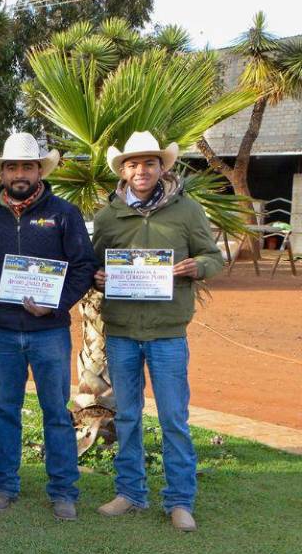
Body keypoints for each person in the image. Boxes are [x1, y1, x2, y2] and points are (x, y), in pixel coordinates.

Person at [92, 131, 223, 532]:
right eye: (132, 164)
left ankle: (179, 500)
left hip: (167, 332)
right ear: (123, 169)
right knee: (128, 416)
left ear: (161, 167)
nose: (140, 170)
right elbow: (95, 265)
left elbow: (214, 256)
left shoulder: (187, 211)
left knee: (173, 418)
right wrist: (97, 278)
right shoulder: (108, 216)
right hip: (121, 331)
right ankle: (130, 492)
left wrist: (196, 266)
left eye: (148, 163)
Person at [0, 132, 96, 520]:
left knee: (56, 411)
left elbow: (83, 268)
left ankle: (63, 490)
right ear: (2, 172)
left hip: (50, 333)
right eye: (12, 166)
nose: (19, 173)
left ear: (40, 169)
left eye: (27, 166)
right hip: (2, 332)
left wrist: (57, 304)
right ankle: (4, 485)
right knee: (6, 409)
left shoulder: (64, 214)